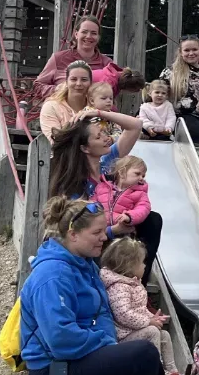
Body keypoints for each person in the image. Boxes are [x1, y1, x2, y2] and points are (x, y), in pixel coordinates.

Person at [18, 197, 165, 375]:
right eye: (96, 232)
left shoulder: (86, 264)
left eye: (104, 230)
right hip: (56, 368)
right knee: (145, 354)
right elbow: (61, 339)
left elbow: (102, 313)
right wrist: (107, 345)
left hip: (86, 353)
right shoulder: (52, 275)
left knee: (150, 350)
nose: (104, 237)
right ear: (73, 235)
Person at [48, 107, 164, 284]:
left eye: (104, 133)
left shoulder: (106, 164)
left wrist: (98, 113)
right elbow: (78, 227)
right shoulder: (75, 184)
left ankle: (139, 286)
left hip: (117, 226)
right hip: (96, 239)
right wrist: (113, 231)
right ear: (85, 148)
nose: (106, 138)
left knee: (152, 219)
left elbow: (135, 125)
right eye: (98, 136)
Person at [98, 237, 185, 375]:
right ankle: (157, 372)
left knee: (164, 334)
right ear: (129, 265)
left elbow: (138, 309)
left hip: (133, 331)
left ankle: (172, 372)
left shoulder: (132, 283)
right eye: (142, 262)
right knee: (152, 331)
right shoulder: (119, 287)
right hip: (123, 336)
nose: (145, 266)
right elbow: (124, 314)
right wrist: (148, 321)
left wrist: (152, 317)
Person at [32, 16, 118, 103]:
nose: (88, 36)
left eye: (94, 33)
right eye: (84, 32)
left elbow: (113, 93)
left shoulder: (107, 64)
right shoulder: (58, 58)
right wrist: (60, 90)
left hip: (95, 113)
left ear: (98, 37)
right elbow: (37, 86)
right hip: (62, 112)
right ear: (76, 34)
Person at [39, 61, 95, 142]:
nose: (78, 83)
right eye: (73, 79)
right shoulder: (51, 107)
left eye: (84, 79)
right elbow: (57, 141)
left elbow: (115, 133)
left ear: (90, 83)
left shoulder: (97, 106)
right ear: (66, 81)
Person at [108, 155, 151, 229]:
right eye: (137, 174)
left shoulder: (140, 193)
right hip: (100, 230)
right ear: (122, 173)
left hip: (123, 231)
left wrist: (129, 216)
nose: (141, 178)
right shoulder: (104, 187)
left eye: (143, 176)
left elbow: (143, 209)